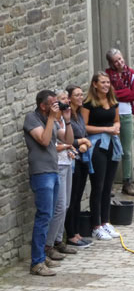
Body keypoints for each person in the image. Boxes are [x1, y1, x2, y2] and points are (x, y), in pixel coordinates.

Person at [23, 89, 73, 276]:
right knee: (43, 216)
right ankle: (36, 262)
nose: (55, 106)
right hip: (41, 173)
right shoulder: (32, 118)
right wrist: (53, 117)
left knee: (50, 215)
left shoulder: (51, 119)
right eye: (52, 103)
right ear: (42, 105)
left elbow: (68, 139)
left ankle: (42, 257)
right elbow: (44, 141)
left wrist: (67, 120)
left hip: (53, 170)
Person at [82, 72, 123, 241]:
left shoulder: (113, 101)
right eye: (103, 82)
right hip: (97, 145)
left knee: (108, 185)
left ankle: (106, 221)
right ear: (95, 84)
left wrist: (115, 127)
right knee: (97, 185)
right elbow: (85, 127)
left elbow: (117, 120)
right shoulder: (88, 104)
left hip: (111, 144)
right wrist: (106, 130)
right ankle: (95, 225)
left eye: (108, 82)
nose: (106, 85)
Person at [44, 90, 79, 258]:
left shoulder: (61, 122)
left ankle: (58, 241)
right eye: (62, 99)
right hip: (56, 166)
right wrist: (67, 147)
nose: (66, 102)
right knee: (58, 207)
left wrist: (67, 119)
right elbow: (52, 145)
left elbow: (69, 140)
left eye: (66, 99)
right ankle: (49, 245)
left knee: (64, 206)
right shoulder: (48, 121)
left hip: (67, 163)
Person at [105, 48, 134, 196]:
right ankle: (109, 183)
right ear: (111, 63)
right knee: (111, 150)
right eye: (116, 61)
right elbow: (107, 94)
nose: (119, 62)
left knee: (126, 150)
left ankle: (127, 181)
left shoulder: (131, 74)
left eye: (120, 58)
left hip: (125, 115)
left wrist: (116, 94)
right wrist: (124, 93)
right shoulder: (107, 76)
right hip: (111, 115)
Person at [64, 84, 93, 249]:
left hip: (82, 159)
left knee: (78, 196)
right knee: (72, 197)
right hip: (72, 159)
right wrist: (79, 142)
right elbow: (66, 139)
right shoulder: (66, 116)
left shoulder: (79, 114)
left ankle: (76, 233)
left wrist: (85, 142)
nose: (81, 97)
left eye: (82, 94)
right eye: (77, 95)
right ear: (69, 98)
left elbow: (83, 132)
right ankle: (71, 234)